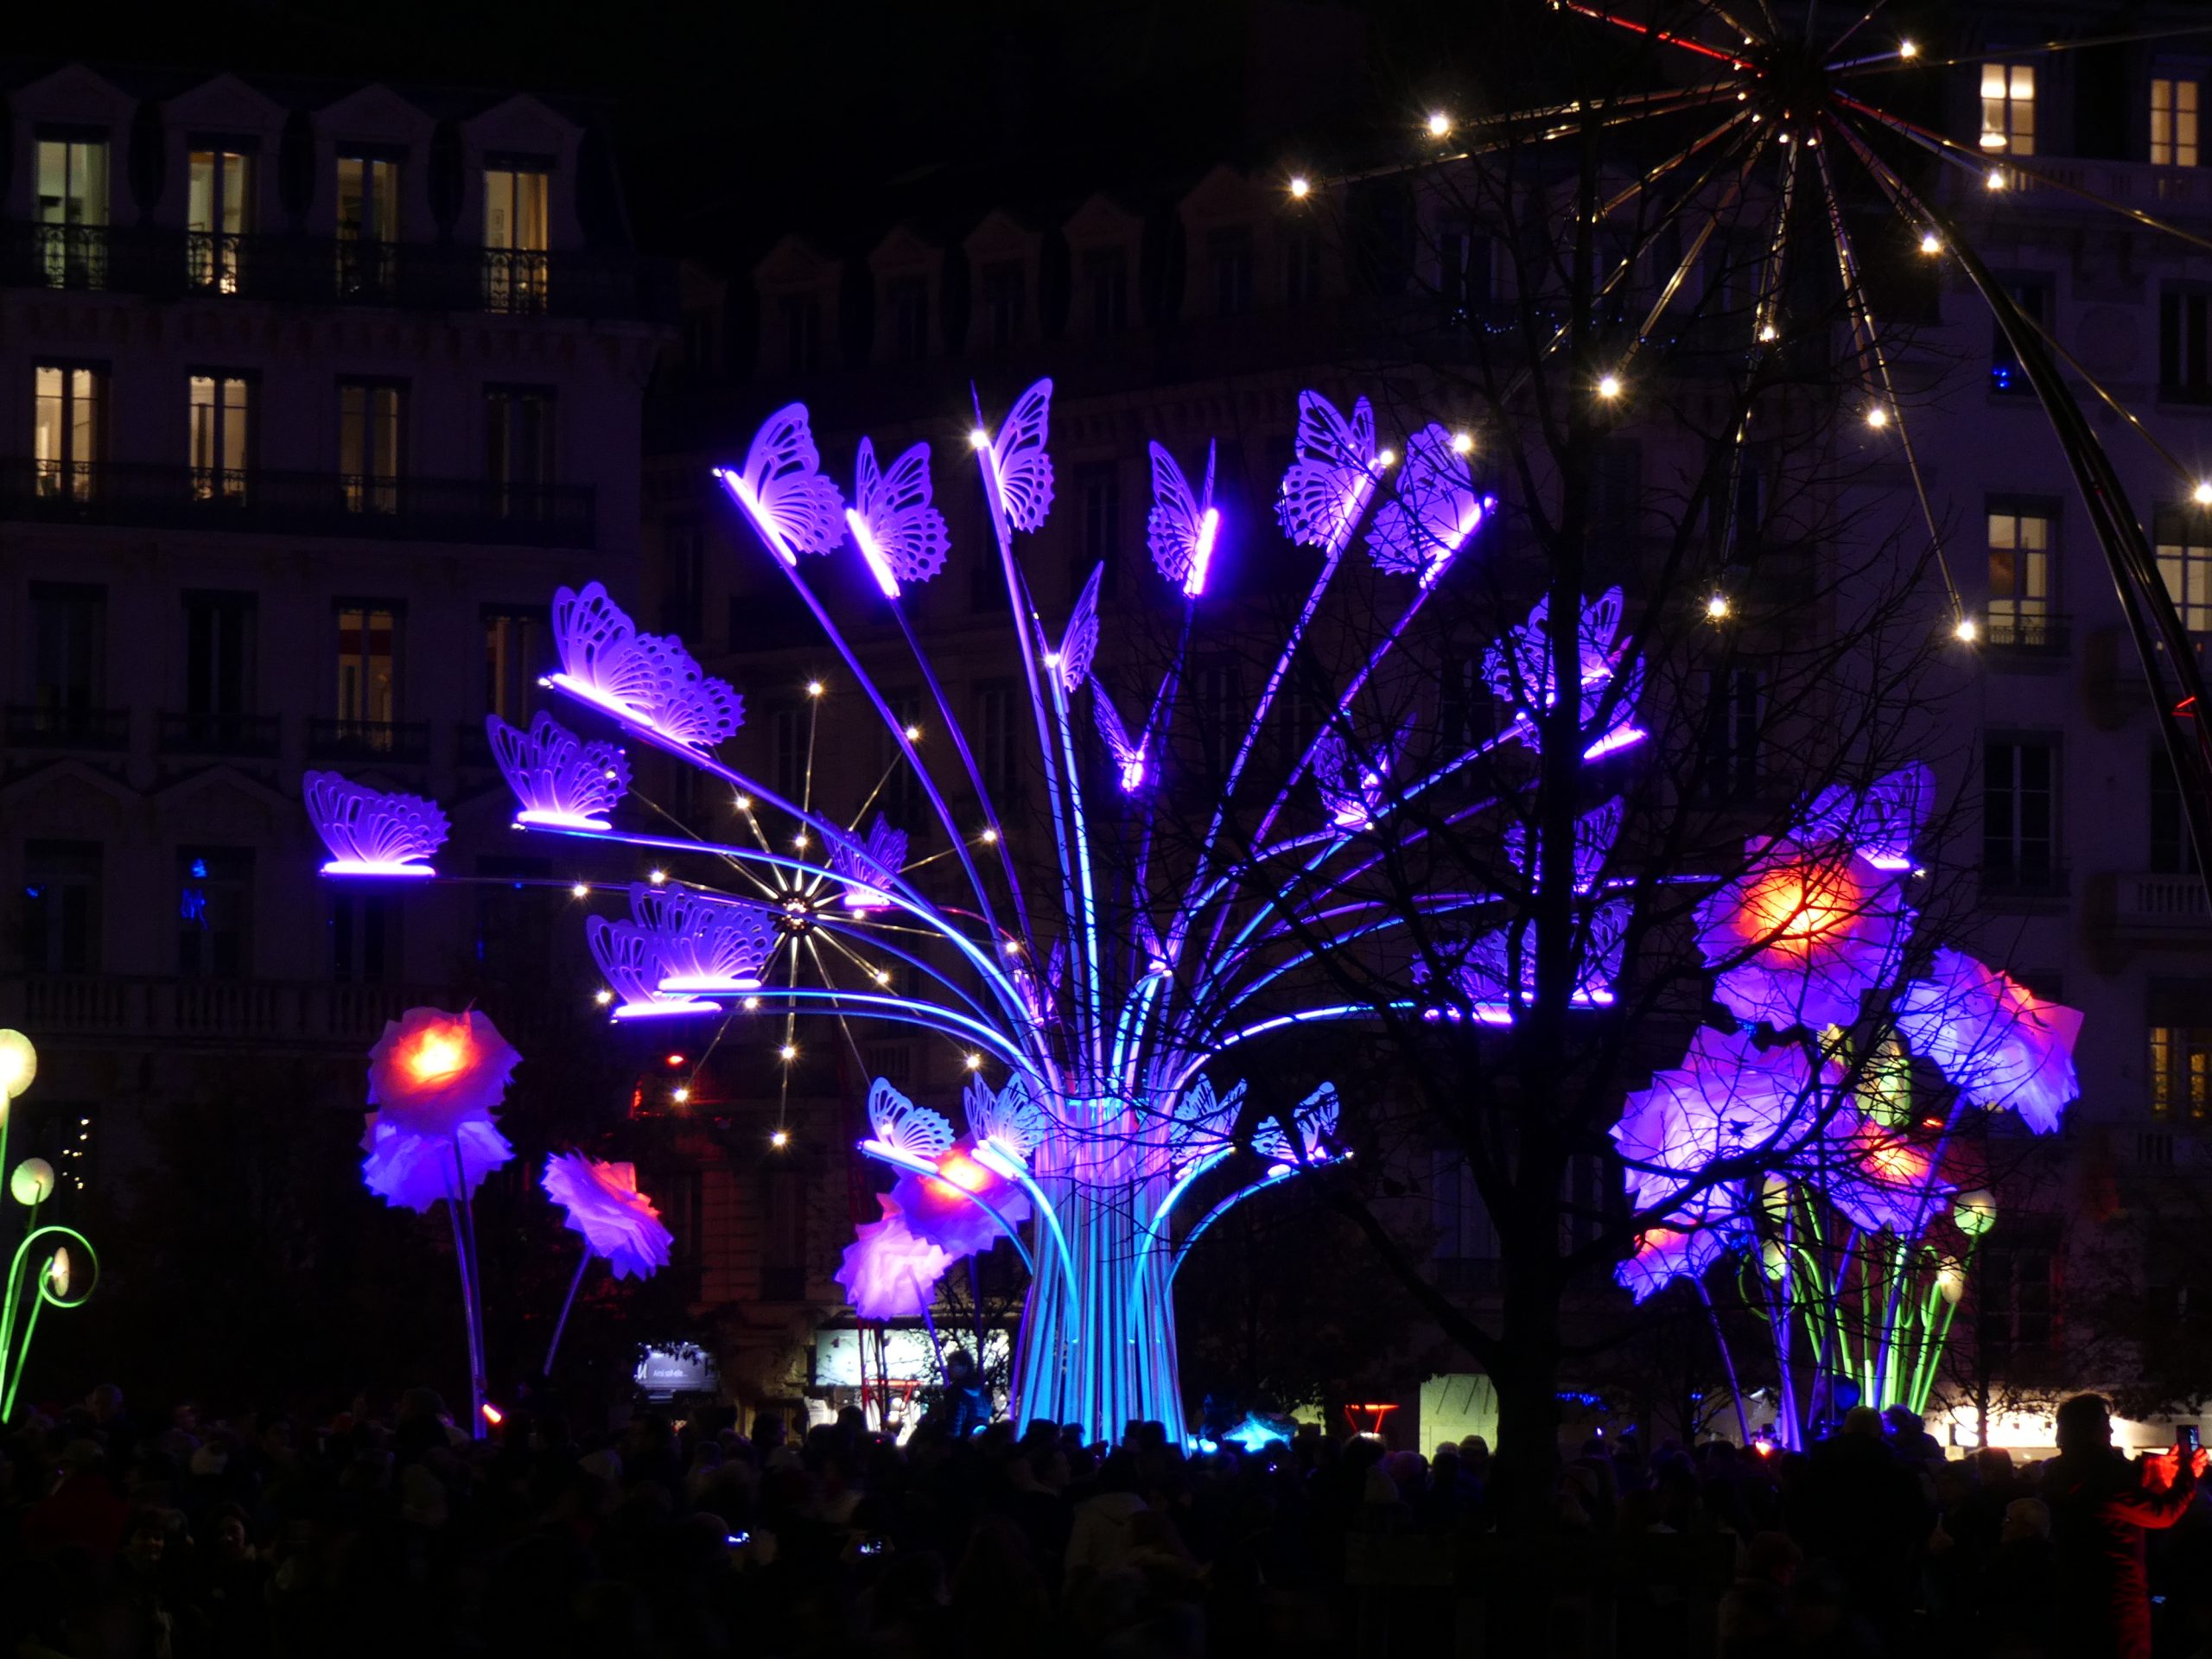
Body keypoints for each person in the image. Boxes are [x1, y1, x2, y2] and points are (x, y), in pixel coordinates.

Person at [2040, 1392, 2205, 1659]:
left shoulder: (2063, 1472)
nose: (2111, 1430)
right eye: (2106, 1423)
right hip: (2115, 1601)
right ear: (2092, 1429)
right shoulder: (2101, 1476)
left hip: (2074, 1595)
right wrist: (2188, 1473)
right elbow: (2162, 1513)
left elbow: (2133, 1506)